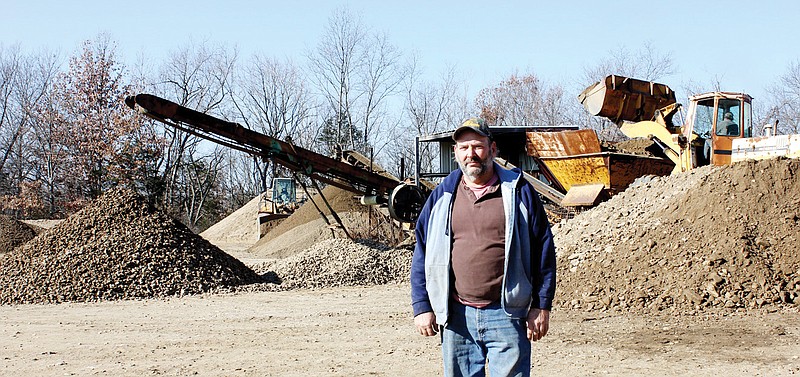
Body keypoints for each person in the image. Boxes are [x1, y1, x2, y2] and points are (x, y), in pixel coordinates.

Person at [411, 118, 557, 377]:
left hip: (508, 314)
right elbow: (422, 251)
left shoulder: (518, 191)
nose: (471, 154)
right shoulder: (443, 195)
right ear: (455, 152)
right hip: (456, 315)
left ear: (492, 149)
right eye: (464, 148)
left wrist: (541, 305)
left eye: (478, 146)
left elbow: (543, 249)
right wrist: (422, 305)